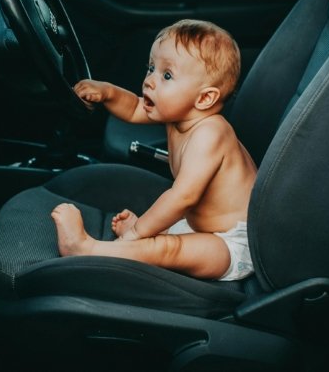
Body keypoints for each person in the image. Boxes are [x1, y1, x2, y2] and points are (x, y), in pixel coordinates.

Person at [51, 19, 257, 281]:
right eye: (151, 68)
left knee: (167, 248)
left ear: (204, 98)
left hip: (232, 243)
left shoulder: (210, 133)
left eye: (166, 75)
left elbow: (183, 197)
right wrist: (107, 92)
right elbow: (136, 108)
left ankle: (85, 249)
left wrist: (137, 231)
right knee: (164, 236)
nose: (149, 81)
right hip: (199, 227)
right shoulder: (180, 114)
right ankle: (137, 241)